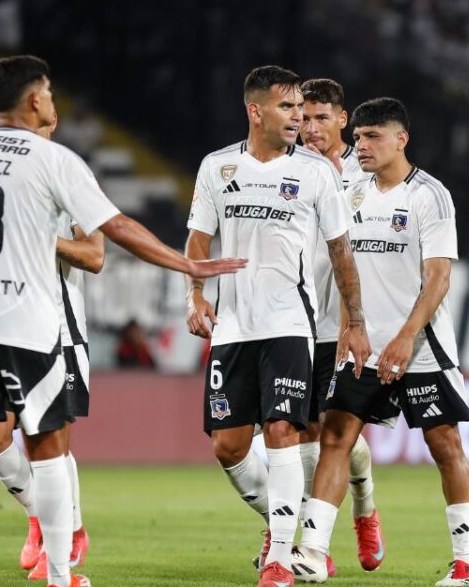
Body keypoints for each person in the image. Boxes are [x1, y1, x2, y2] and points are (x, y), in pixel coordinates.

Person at [0, 54, 246, 587]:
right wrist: (185, 263)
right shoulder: (54, 160)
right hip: (27, 324)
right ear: (34, 99)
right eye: (49, 92)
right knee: (49, 450)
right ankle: (59, 575)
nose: (52, 100)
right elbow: (116, 227)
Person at [185, 65, 370, 587]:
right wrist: (193, 294)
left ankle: (281, 558)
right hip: (232, 326)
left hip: (290, 323)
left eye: (301, 109)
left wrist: (355, 321)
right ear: (255, 111)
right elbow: (199, 237)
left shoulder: (315, 172)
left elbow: (341, 252)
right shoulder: (217, 167)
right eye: (287, 107)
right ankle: (283, 521)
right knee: (227, 445)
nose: (297, 118)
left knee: (282, 429)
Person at [292, 97, 469, 587]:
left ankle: (467, 563)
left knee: (444, 445)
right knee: (336, 437)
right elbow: (344, 268)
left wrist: (405, 337)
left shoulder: (429, 196)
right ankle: (312, 552)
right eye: (357, 137)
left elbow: (438, 279)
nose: (361, 145)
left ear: (401, 140)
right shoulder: (352, 192)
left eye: (372, 136)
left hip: (421, 347)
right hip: (365, 347)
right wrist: (350, 327)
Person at [0, 114, 99, 580]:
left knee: (51, 444)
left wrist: (43, 239)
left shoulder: (70, 175)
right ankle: (44, 517)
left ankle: (65, 543)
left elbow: (94, 255)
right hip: (0, 330)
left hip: (59, 332)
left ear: (49, 120)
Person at [297, 78, 384, 574]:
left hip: (343, 322)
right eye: (305, 118)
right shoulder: (288, 167)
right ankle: (310, 539)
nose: (311, 128)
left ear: (342, 120)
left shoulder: (363, 172)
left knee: (336, 428)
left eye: (321, 118)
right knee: (307, 430)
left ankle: (363, 510)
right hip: (297, 320)